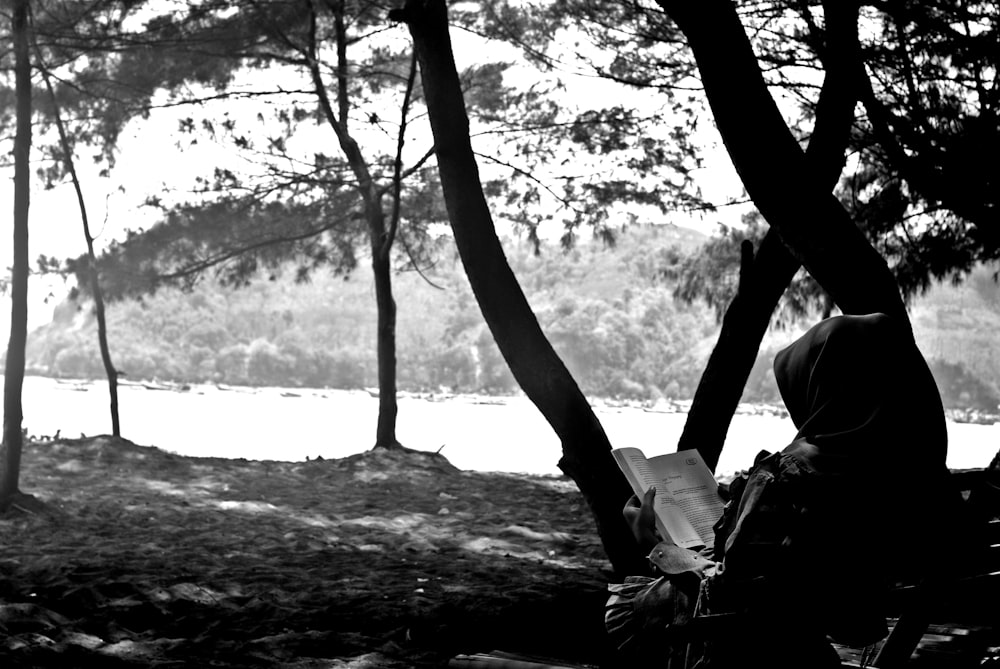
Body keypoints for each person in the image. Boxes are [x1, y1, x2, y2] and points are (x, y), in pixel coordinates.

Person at [606, 313, 963, 668]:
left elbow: (725, 600)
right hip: (814, 634)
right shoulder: (918, 483)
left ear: (824, 385)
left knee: (635, 611)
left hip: (756, 650)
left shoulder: (791, 478)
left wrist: (655, 546)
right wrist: (742, 507)